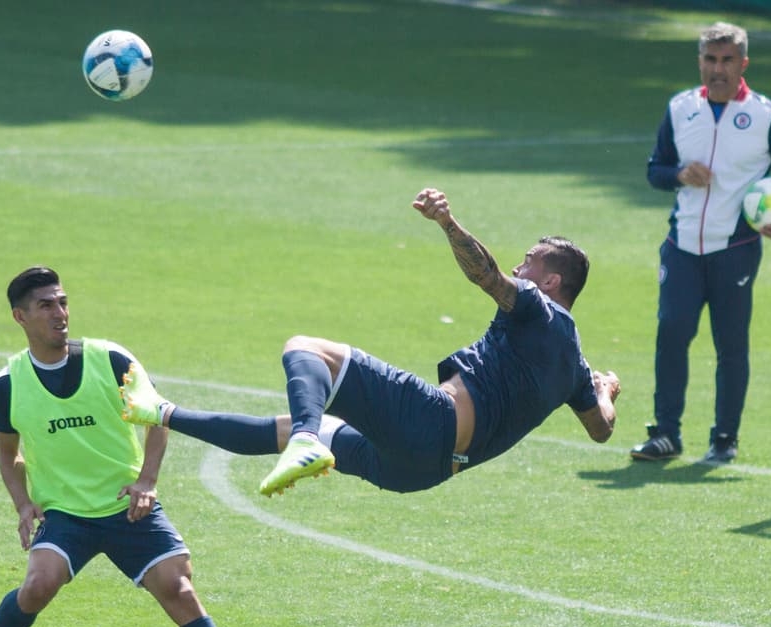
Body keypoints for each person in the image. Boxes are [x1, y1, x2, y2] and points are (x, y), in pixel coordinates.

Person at [0, 266, 275, 627]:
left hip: (128, 508)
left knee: (179, 589)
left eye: (62, 302)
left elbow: (158, 418)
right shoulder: (8, 384)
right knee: (37, 586)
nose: (60, 313)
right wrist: (22, 504)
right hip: (65, 513)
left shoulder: (112, 360)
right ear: (20, 317)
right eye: (45, 306)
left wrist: (147, 480)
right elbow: (8, 451)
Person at [119, 188, 620, 496]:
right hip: (423, 471)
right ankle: (161, 411)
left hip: (431, 423)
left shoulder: (535, 305)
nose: (519, 267)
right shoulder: (576, 368)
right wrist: (605, 391)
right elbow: (601, 429)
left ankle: (306, 440)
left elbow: (487, 276)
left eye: (529, 261)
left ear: (551, 281)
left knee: (305, 349)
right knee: (290, 425)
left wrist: (447, 223)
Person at [631, 21, 771, 465]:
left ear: (743, 63)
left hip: (735, 251)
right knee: (672, 333)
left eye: (727, 60)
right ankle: (666, 434)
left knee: (730, 346)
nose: (718, 69)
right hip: (681, 247)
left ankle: (725, 438)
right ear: (700, 62)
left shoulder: (767, 117)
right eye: (710, 59)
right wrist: (679, 174)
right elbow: (656, 170)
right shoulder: (680, 108)